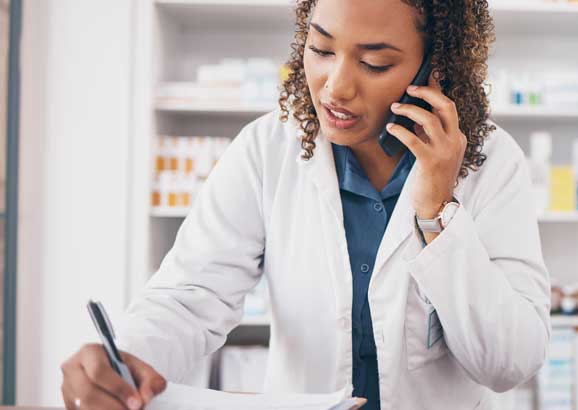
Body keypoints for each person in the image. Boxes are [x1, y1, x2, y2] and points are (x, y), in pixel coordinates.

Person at [60, 0, 550, 408]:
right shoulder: (267, 150)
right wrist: (123, 359)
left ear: (434, 67)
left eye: (374, 63)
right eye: (320, 49)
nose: (335, 86)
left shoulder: (492, 164)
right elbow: (190, 298)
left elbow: (509, 361)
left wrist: (438, 210)